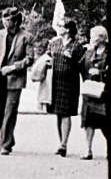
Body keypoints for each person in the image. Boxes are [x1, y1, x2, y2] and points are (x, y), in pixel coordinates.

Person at [0, 7, 31, 155]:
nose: (4, 22)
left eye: (7, 19)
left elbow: (30, 59)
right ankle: (8, 137)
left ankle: (5, 144)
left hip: (15, 80)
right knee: (0, 112)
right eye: (3, 18)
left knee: (10, 112)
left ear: (15, 22)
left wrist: (14, 68)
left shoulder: (27, 37)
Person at [34, 15, 83, 157]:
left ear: (67, 29)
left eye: (61, 26)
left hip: (70, 83)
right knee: (58, 112)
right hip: (54, 82)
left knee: (66, 113)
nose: (58, 28)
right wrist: (47, 63)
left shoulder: (77, 45)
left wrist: (71, 60)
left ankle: (64, 144)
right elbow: (48, 56)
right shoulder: (54, 43)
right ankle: (61, 141)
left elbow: (81, 65)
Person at [80, 25, 109, 160]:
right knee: (88, 122)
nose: (91, 39)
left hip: (104, 92)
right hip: (90, 92)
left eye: (93, 36)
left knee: (106, 123)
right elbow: (79, 66)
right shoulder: (89, 51)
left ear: (102, 38)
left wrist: (101, 72)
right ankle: (88, 149)